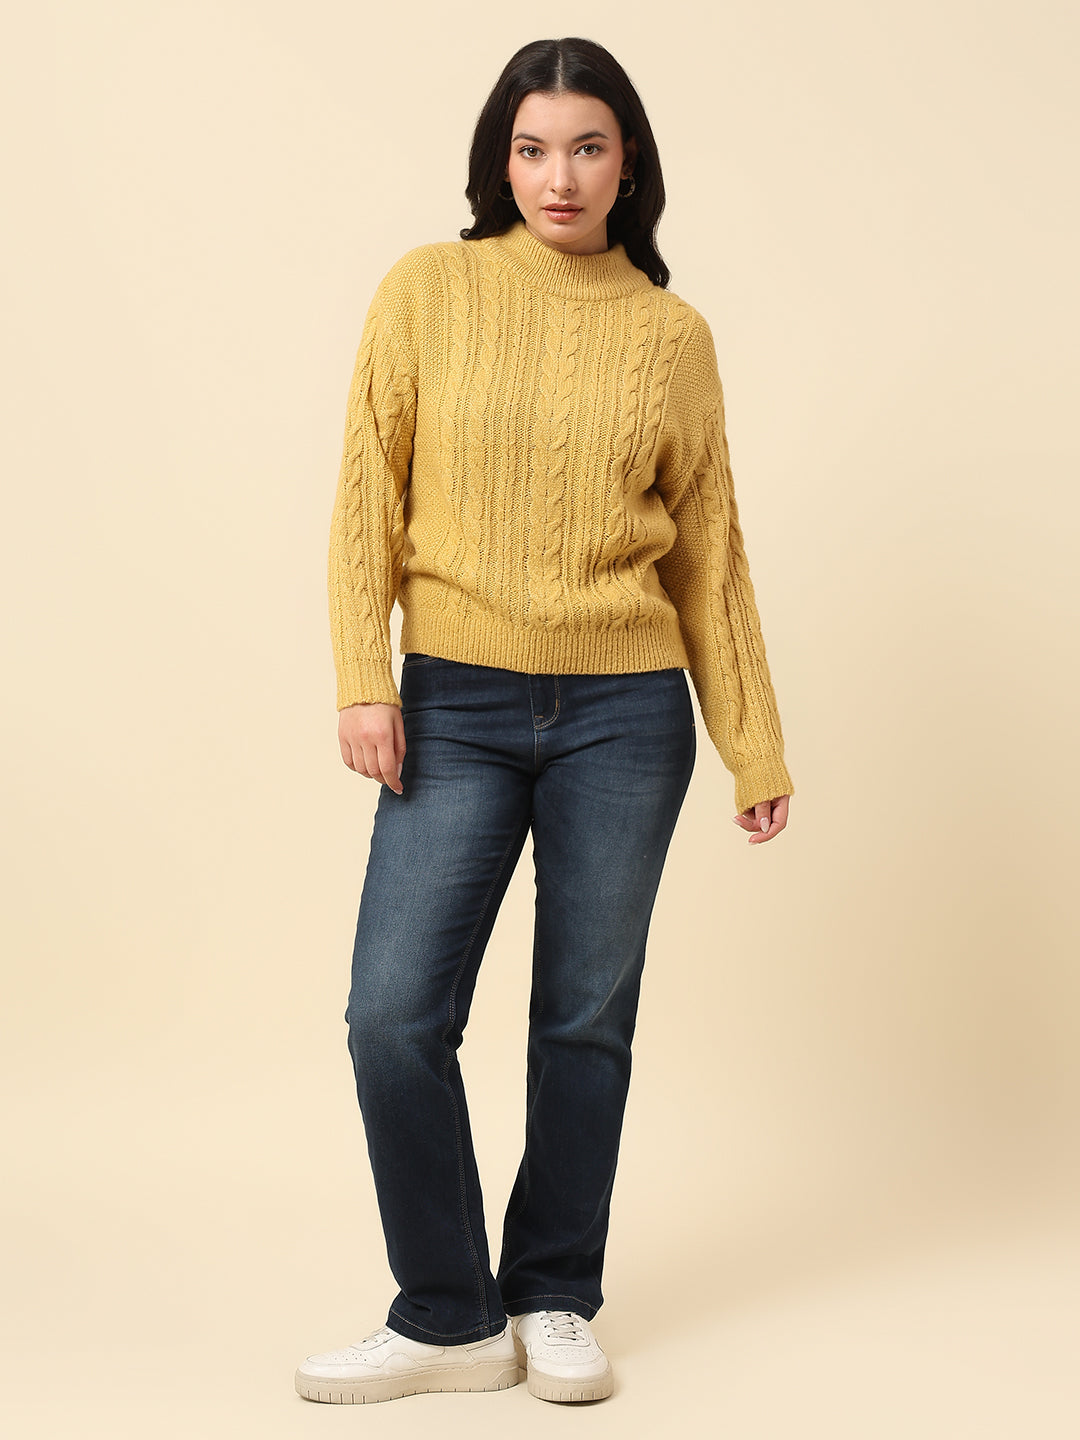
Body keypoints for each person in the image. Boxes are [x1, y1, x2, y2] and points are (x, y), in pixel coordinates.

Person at [295, 35, 795, 1407]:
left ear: (629, 164)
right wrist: (363, 673)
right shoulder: (429, 289)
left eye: (585, 147)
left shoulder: (672, 338)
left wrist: (752, 741)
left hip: (627, 716)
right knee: (393, 1016)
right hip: (453, 700)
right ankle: (448, 1312)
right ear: (499, 161)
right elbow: (367, 487)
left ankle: (556, 1292)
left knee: (584, 1020)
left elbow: (710, 552)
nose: (558, 176)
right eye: (531, 148)